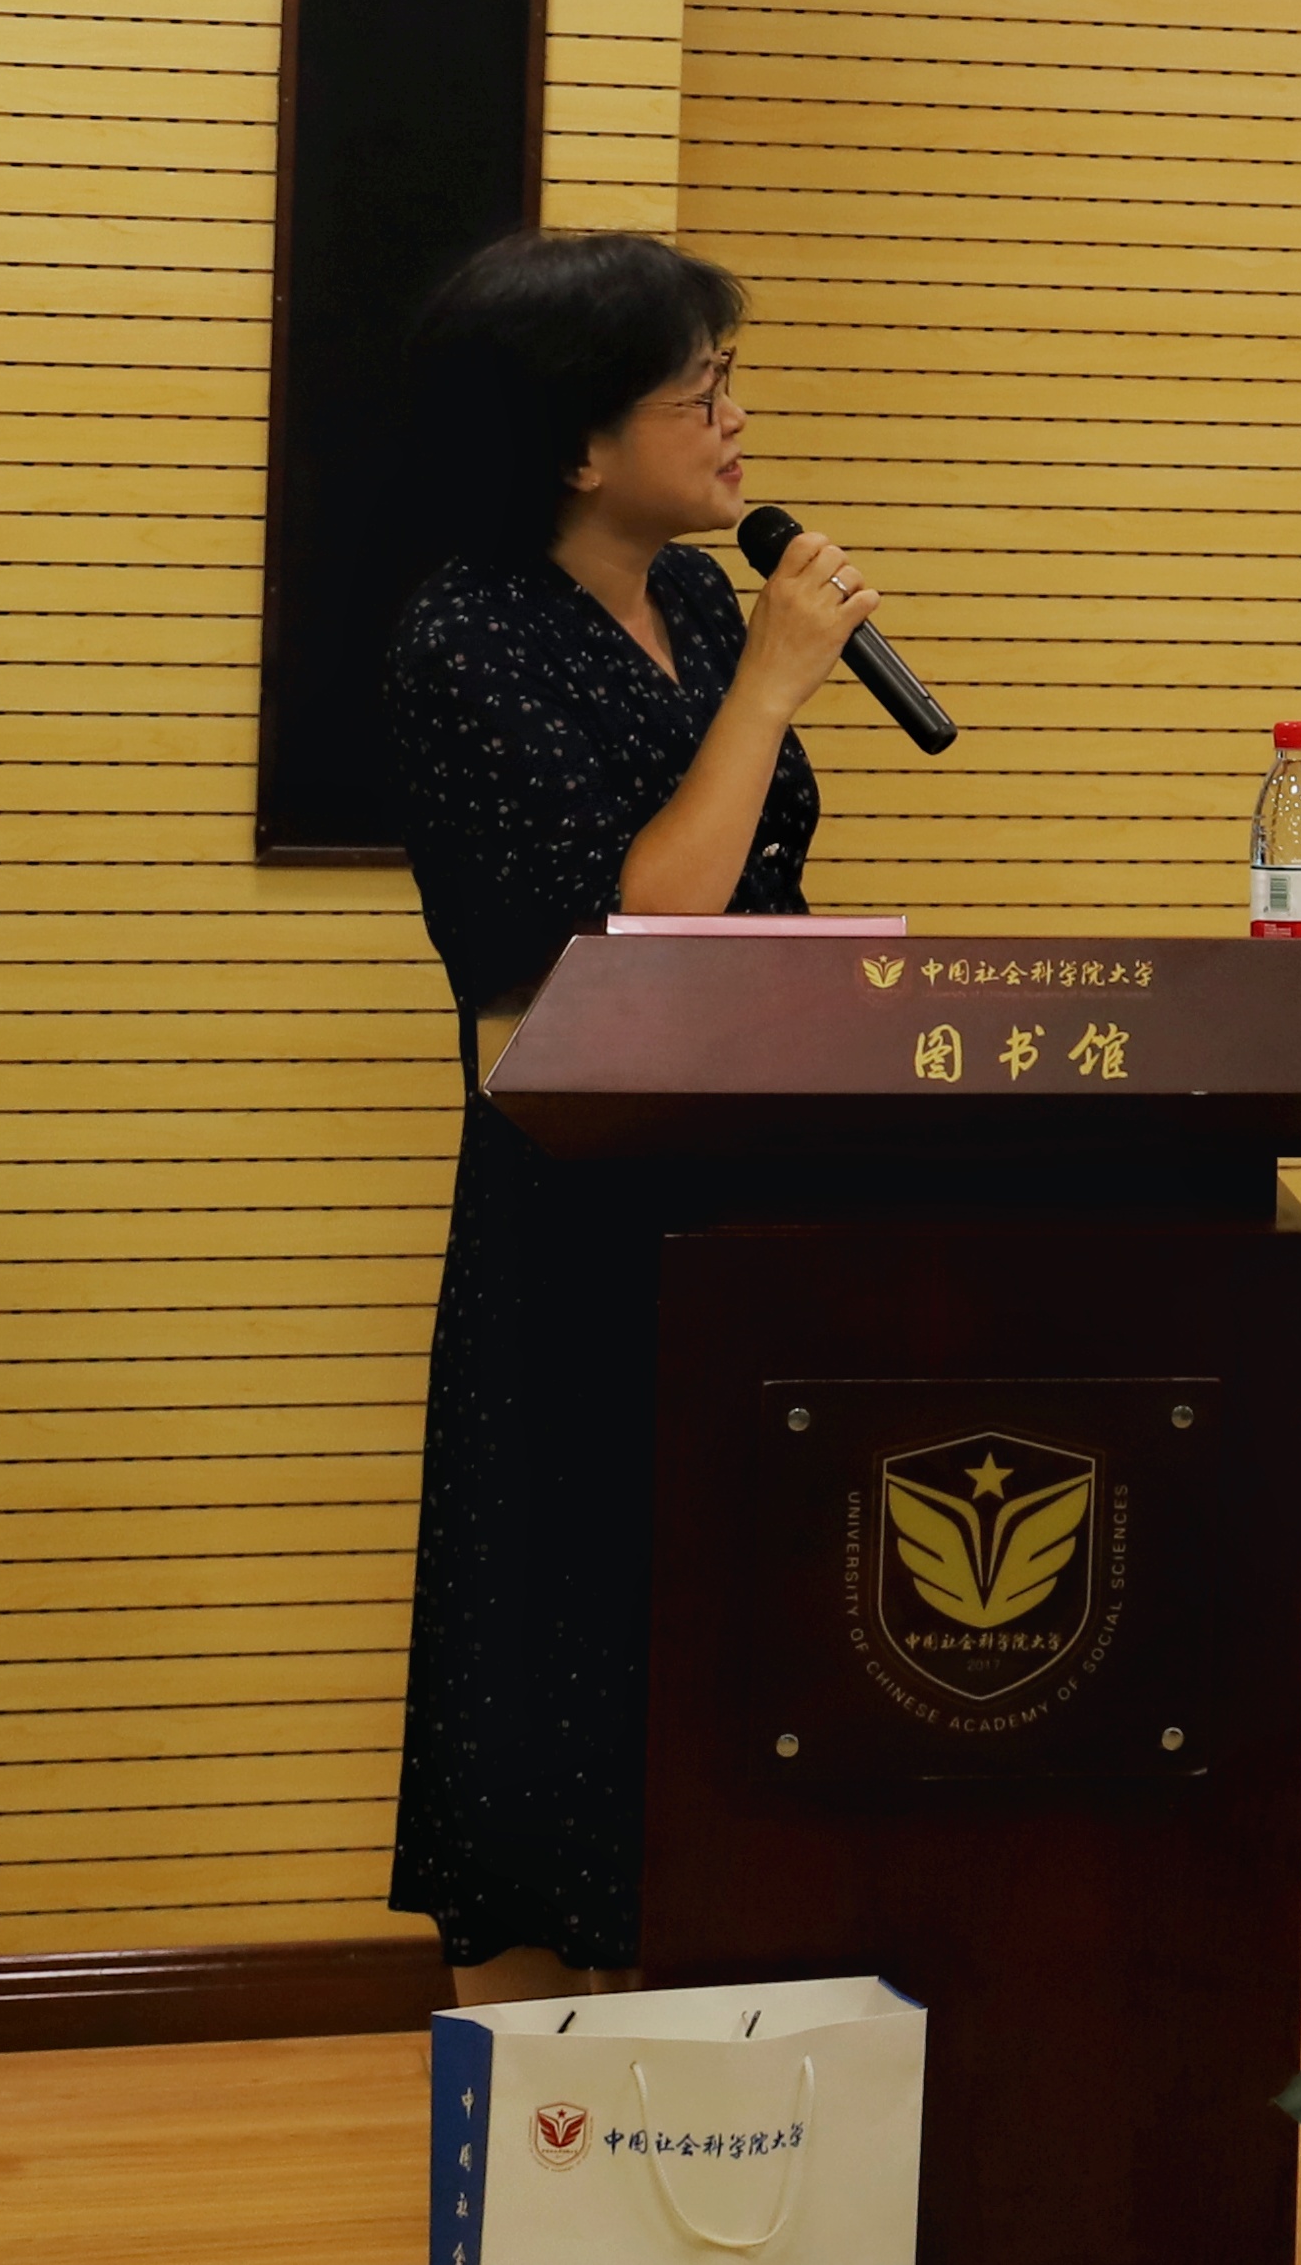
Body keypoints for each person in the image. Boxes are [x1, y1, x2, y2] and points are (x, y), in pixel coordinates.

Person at [376, 229, 887, 1996]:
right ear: (580, 445)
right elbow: (631, 924)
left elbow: (758, 895)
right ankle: (556, 2101)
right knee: (557, 1633)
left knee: (720, 1645)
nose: (737, 420)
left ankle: (714, 2066)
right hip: (577, 1211)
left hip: (743, 1187)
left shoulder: (692, 603)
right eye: (701, 390)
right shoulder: (468, 634)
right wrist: (773, 686)